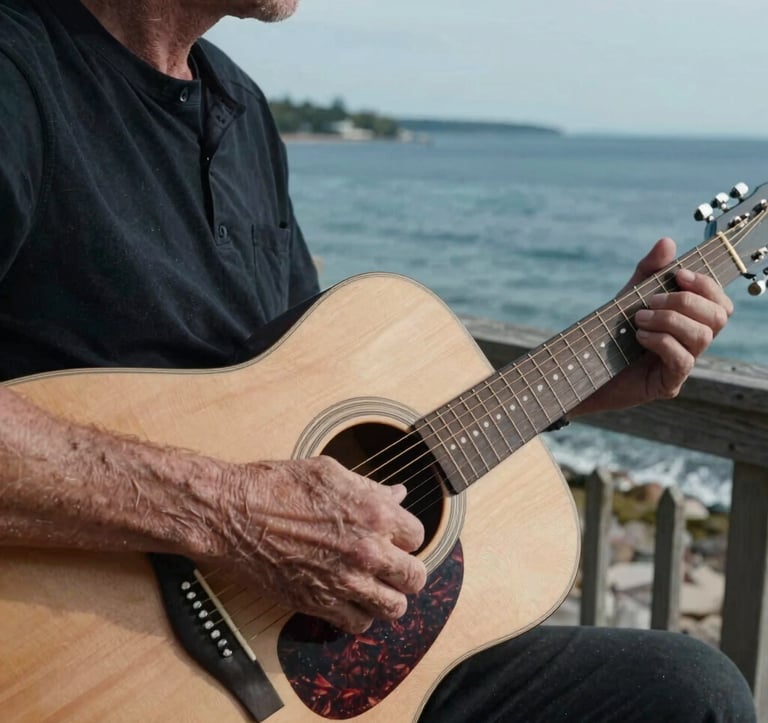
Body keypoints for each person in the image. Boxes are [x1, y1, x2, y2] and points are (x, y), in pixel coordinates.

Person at [0, 0, 756, 720]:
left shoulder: (239, 110)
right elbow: (261, 504)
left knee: (689, 689)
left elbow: (301, 402)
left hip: (291, 660)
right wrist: (229, 512)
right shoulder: (19, 69)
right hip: (86, 670)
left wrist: (589, 382)